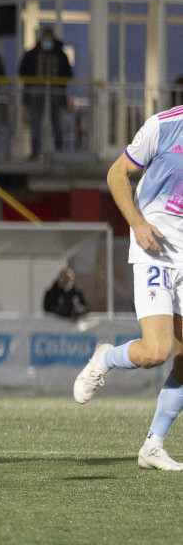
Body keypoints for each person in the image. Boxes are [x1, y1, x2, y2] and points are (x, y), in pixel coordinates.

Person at [74, 107, 183, 470]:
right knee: (157, 351)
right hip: (155, 248)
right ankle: (105, 358)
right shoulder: (164, 125)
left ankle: (152, 446)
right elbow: (116, 172)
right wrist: (136, 223)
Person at [19, 27, 73, 160]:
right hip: (36, 94)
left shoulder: (60, 55)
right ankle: (36, 152)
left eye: (49, 38)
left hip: (55, 95)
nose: (47, 41)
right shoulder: (32, 54)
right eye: (45, 38)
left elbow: (68, 74)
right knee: (35, 123)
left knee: (57, 124)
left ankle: (59, 153)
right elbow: (23, 71)